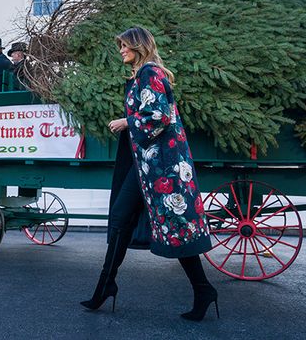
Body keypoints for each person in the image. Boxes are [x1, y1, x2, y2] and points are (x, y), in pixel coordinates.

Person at [80, 27, 218, 322]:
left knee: (175, 224)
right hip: (147, 166)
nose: (121, 51)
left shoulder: (149, 73)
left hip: (162, 166)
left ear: (139, 46)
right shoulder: (143, 74)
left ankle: (203, 289)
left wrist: (125, 121)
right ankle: (106, 285)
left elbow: (158, 116)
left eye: (125, 46)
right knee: (122, 219)